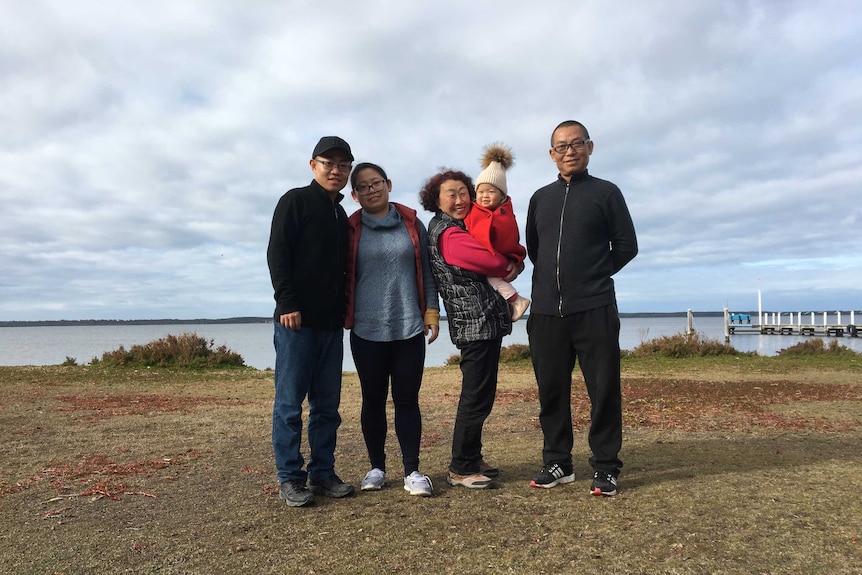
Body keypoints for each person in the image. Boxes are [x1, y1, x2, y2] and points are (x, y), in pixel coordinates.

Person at [525, 120, 638, 496]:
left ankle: (606, 466)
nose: (569, 151)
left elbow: (626, 246)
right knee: (551, 391)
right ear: (551, 154)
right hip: (545, 313)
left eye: (577, 144)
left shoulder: (607, 193)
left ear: (590, 147)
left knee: (603, 389)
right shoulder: (540, 197)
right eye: (561, 146)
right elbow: (535, 250)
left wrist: (591, 276)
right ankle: (558, 461)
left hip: (595, 307)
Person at [267, 136, 357, 507]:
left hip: (330, 325)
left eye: (343, 165)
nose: (336, 171)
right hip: (295, 322)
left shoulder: (340, 214)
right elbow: (278, 252)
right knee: (289, 404)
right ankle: (290, 477)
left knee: (326, 406)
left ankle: (322, 473)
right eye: (328, 163)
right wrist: (287, 301)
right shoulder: (295, 201)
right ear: (313, 164)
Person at [419, 169, 522, 489]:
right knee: (475, 395)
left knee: (483, 393)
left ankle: (472, 456)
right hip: (473, 321)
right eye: (452, 193)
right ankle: (460, 466)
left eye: (466, 192)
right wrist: (510, 266)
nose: (461, 199)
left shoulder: (458, 226)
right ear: (437, 199)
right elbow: (488, 261)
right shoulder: (447, 232)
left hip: (483, 320)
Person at [345, 162, 441, 498]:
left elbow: (427, 271)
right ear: (354, 195)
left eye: (376, 183)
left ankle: (412, 470)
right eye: (363, 187)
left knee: (406, 399)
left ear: (388, 184)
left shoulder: (412, 224)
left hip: (409, 328)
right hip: (366, 330)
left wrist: (431, 312)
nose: (372, 190)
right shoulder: (351, 229)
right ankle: (376, 467)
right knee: (372, 400)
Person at [463, 143, 531, 322]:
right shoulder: (473, 210)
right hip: (487, 260)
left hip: (496, 260)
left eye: (491, 192)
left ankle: (517, 300)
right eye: (481, 191)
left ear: (501, 195)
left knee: (493, 280)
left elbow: (509, 240)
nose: (485, 196)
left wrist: (513, 260)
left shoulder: (503, 216)